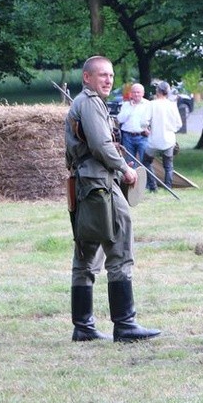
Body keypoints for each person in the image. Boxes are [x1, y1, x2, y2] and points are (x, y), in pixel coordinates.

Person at [65, 55, 161, 343]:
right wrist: (125, 169)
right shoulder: (90, 102)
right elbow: (100, 144)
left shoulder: (83, 102)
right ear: (87, 77)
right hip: (100, 183)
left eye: (111, 75)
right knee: (119, 243)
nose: (108, 80)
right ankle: (125, 324)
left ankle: (83, 327)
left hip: (87, 183)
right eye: (102, 75)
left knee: (87, 251)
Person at [143, 81, 182, 191]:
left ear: (157, 91)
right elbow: (179, 124)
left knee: (146, 162)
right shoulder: (172, 105)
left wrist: (147, 129)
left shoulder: (152, 104)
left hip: (154, 140)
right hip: (169, 140)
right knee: (168, 166)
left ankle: (153, 186)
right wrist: (171, 130)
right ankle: (168, 187)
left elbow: (144, 122)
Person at [116, 83, 152, 172]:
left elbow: (154, 120)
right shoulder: (126, 105)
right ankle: (134, 183)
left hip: (143, 137)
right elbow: (120, 119)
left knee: (145, 161)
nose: (136, 94)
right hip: (128, 136)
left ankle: (150, 184)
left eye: (138, 92)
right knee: (130, 162)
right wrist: (131, 108)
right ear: (131, 94)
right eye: (134, 92)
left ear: (143, 93)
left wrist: (151, 131)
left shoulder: (148, 104)